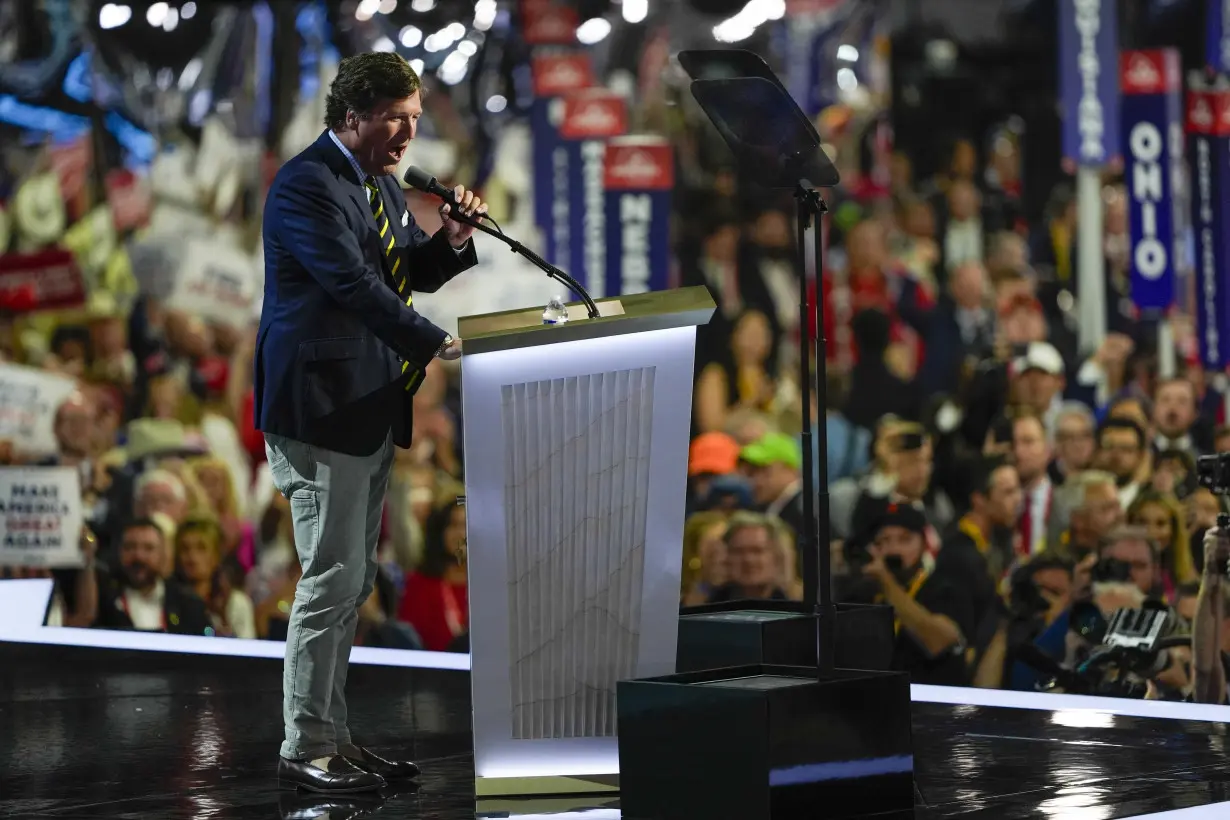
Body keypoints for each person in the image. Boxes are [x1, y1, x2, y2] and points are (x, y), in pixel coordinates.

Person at [256, 52, 485, 793]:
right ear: (352, 116)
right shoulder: (304, 185)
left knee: (352, 584)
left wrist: (450, 239)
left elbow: (401, 271)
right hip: (320, 410)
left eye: (415, 120)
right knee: (330, 582)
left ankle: (336, 738)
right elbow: (353, 286)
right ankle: (305, 747)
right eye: (397, 118)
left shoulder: (377, 182)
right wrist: (435, 342)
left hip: (367, 404)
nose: (408, 135)